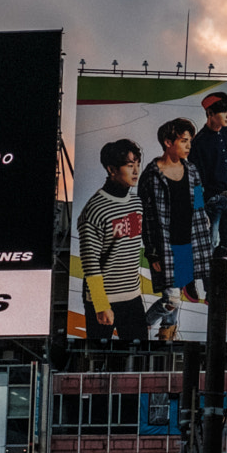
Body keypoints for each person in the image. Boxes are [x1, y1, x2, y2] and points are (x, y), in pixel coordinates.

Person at [75, 139, 148, 342]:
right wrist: (101, 304)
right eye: (129, 165)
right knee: (99, 358)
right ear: (112, 169)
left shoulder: (136, 203)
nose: (135, 171)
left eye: (137, 164)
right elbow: (90, 264)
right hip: (103, 299)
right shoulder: (95, 209)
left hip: (132, 296)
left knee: (140, 354)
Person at [138, 116, 213, 311]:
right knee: (171, 300)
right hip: (166, 246)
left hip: (190, 242)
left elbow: (198, 201)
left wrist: (203, 219)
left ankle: (166, 334)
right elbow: (146, 218)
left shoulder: (192, 170)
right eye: (183, 141)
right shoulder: (151, 175)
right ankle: (145, 326)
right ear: (168, 142)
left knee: (176, 300)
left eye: (190, 141)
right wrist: (152, 253)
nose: (188, 146)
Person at [195, 92, 227, 264]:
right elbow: (196, 181)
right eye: (223, 111)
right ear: (210, 113)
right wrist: (200, 210)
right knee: (208, 246)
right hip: (212, 202)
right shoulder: (199, 142)